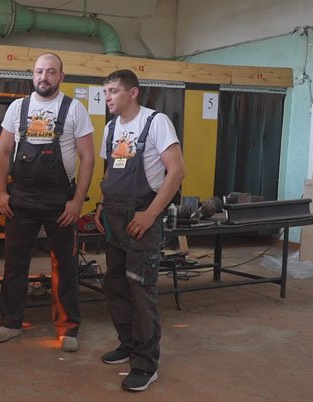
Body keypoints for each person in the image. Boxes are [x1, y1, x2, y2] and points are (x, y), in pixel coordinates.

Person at [0, 53, 95, 352]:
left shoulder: (74, 109)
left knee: (65, 265)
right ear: (32, 75)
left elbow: (87, 157)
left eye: (50, 72)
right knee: (15, 264)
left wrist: (77, 201)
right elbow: (3, 151)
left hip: (60, 202)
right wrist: (2, 193)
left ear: (61, 76)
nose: (43, 77)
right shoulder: (17, 107)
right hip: (21, 199)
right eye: (39, 71)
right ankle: (10, 323)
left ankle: (68, 327)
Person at [93, 69, 185, 392]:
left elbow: (177, 172)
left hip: (142, 217)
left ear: (133, 92)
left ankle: (146, 364)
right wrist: (101, 204)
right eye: (105, 92)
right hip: (114, 218)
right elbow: (109, 170)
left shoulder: (156, 122)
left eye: (114, 91)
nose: (107, 97)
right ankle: (128, 344)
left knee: (141, 290)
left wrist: (149, 215)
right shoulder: (110, 128)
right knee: (116, 285)